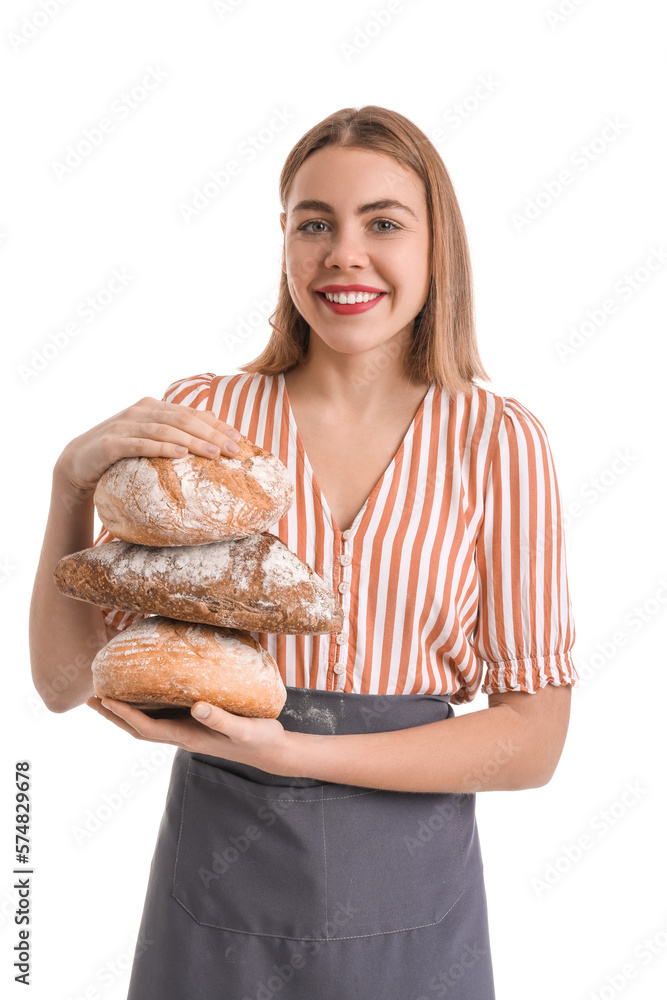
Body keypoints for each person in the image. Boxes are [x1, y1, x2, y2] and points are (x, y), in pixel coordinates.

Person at [29, 105, 579, 999]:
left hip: (414, 894)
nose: (343, 255)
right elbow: (65, 684)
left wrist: (293, 752)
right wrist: (69, 487)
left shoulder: (497, 439)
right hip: (220, 881)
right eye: (312, 223)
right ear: (283, 241)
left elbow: (533, 740)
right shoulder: (206, 421)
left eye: (384, 223)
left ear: (439, 246)